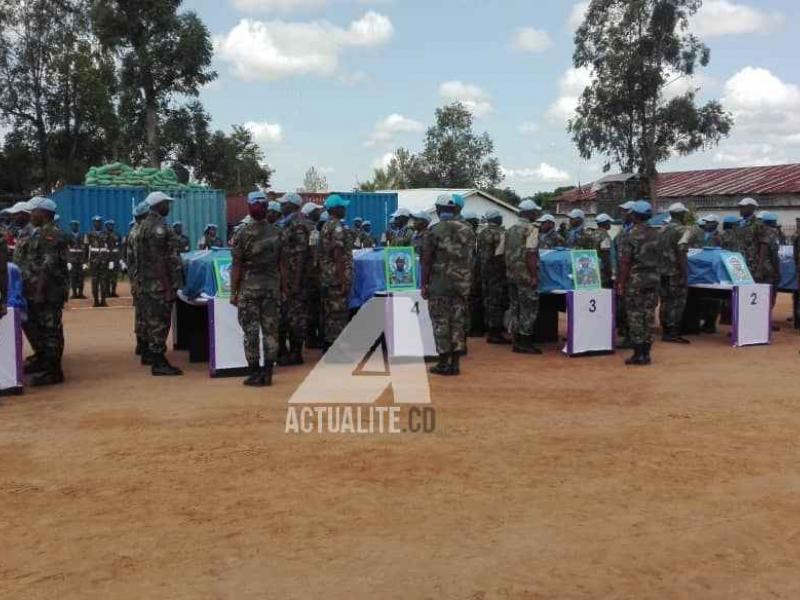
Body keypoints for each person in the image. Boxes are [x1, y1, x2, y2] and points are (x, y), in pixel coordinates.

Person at [230, 192, 286, 386]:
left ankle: (254, 373)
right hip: (271, 289)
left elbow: (236, 265)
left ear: (249, 208)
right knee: (271, 331)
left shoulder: (241, 233)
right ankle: (268, 372)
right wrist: (283, 288)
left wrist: (233, 291)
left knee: (251, 332)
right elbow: (282, 264)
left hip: (249, 290)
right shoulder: (278, 232)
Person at [421, 194, 476, 375]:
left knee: (441, 322)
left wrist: (424, 284)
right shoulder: (468, 230)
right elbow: (471, 257)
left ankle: (443, 363)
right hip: (461, 284)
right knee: (458, 323)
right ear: (455, 210)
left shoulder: (434, 230)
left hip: (440, 284)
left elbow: (427, 260)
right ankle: (455, 363)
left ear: (437, 210)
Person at [135, 192, 184, 376]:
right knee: (160, 322)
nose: (168, 207)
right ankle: (158, 362)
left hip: (149, 282)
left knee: (153, 320)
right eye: (166, 204)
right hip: (158, 284)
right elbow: (157, 259)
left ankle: (154, 357)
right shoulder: (157, 226)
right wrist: (168, 287)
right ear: (158, 205)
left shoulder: (144, 225)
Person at [21, 197, 69, 385]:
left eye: (34, 211)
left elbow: (48, 266)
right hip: (37, 291)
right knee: (40, 328)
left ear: (44, 213)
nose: (31, 215)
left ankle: (54, 372)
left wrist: (40, 291)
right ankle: (44, 362)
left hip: (49, 292)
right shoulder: (39, 233)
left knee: (51, 331)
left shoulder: (52, 234)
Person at [617, 200, 660, 366]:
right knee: (648, 316)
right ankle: (646, 354)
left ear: (634, 215)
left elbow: (625, 262)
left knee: (635, 316)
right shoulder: (658, 234)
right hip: (653, 280)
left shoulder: (630, 235)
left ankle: (638, 354)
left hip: (635, 281)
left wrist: (621, 283)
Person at [504, 199, 543, 355]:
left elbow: (502, 253)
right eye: (535, 212)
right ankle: (525, 342)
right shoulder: (532, 230)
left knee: (515, 307)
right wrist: (533, 276)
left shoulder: (510, 230)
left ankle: (516, 340)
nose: (536, 214)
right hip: (525, 276)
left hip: (511, 275)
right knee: (529, 309)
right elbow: (531, 254)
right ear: (529, 213)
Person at [277, 192, 312, 366]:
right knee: (285, 315)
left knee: (296, 316)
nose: (281, 207)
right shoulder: (287, 223)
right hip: (287, 278)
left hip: (295, 279)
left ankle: (296, 353)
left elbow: (300, 255)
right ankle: (286, 352)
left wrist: (296, 282)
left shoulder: (297, 225)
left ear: (292, 205)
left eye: (284, 204)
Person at [319, 195, 354, 351]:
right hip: (336, 277)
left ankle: (329, 346)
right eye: (342, 207)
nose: (345, 209)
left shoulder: (326, 225)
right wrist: (343, 280)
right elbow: (338, 255)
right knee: (338, 314)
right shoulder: (337, 226)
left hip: (328, 276)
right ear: (335, 209)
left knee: (330, 313)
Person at [658, 202, 692, 344]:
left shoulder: (662, 229)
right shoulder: (683, 230)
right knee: (677, 302)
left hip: (662, 272)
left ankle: (665, 330)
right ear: (681, 214)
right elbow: (682, 253)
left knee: (665, 301)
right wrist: (685, 274)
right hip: (675, 272)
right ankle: (673, 333)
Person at [478, 209, 509, 345]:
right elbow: (501, 254)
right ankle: (495, 333)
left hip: (484, 271)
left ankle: (491, 329)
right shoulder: (500, 234)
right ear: (496, 219)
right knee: (497, 302)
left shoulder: (482, 233)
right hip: (498, 271)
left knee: (489, 301)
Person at [127, 202, 150, 361]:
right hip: (145, 279)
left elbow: (129, 260)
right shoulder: (141, 233)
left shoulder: (133, 232)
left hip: (136, 278)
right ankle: (146, 349)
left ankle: (141, 345)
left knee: (140, 314)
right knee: (147, 314)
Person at [301, 202, 324, 349]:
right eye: (316, 211)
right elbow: (315, 253)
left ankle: (309, 337)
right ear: (310, 213)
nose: (319, 213)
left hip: (303, 272)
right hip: (312, 275)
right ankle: (312, 338)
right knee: (314, 307)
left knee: (309, 307)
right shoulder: (312, 229)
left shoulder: (302, 226)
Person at [614, 201, 636, 348]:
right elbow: (616, 254)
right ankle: (627, 335)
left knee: (635, 308)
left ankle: (635, 338)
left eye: (625, 211)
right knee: (623, 307)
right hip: (622, 274)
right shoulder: (622, 231)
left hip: (636, 276)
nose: (623, 214)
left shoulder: (638, 232)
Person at [461, 210, 483, 338]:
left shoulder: (463, 235)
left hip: (464, 272)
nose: (477, 223)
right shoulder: (472, 236)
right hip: (472, 272)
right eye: (475, 221)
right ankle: (473, 328)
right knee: (474, 300)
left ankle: (469, 327)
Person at [736, 197, 768, 277]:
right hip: (738, 264)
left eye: (743, 207)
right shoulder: (738, 224)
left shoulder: (758, 224)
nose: (740, 209)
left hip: (753, 265)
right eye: (740, 207)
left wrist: (760, 268)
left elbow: (763, 246)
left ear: (752, 208)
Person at [757, 212, 781, 314]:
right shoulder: (772, 233)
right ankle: (765, 322)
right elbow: (774, 255)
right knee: (768, 296)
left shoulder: (757, 232)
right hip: (768, 270)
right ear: (773, 222)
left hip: (756, 267)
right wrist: (777, 271)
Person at [85, 215, 110, 307]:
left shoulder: (106, 234)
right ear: (93, 224)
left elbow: (109, 248)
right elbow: (86, 248)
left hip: (104, 260)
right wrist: (85, 262)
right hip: (93, 261)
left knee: (103, 281)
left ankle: (103, 300)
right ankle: (95, 301)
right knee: (94, 281)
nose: (97, 224)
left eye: (99, 222)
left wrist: (110, 260)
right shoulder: (89, 234)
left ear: (101, 223)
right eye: (95, 222)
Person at [66, 220, 87, 299]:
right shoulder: (68, 236)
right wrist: (68, 261)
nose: (74, 227)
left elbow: (86, 249)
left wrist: (85, 262)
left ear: (78, 227)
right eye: (73, 225)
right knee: (73, 277)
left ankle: (80, 293)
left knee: (81, 277)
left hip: (81, 259)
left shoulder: (83, 236)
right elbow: (66, 250)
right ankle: (74, 293)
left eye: (76, 225)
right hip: (72, 259)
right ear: (71, 227)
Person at [594, 213, 614, 288]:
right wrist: (609, 273)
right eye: (609, 222)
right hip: (602, 272)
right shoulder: (604, 236)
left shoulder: (593, 233)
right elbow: (605, 255)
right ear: (605, 223)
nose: (610, 224)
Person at [104, 220, 121, 298]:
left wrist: (121, 259)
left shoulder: (117, 235)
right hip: (107, 258)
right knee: (107, 276)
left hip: (116, 258)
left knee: (114, 276)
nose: (110, 226)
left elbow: (120, 247)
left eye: (112, 225)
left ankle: (113, 291)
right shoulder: (104, 235)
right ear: (106, 226)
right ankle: (107, 292)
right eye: (109, 225)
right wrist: (109, 260)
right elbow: (105, 248)